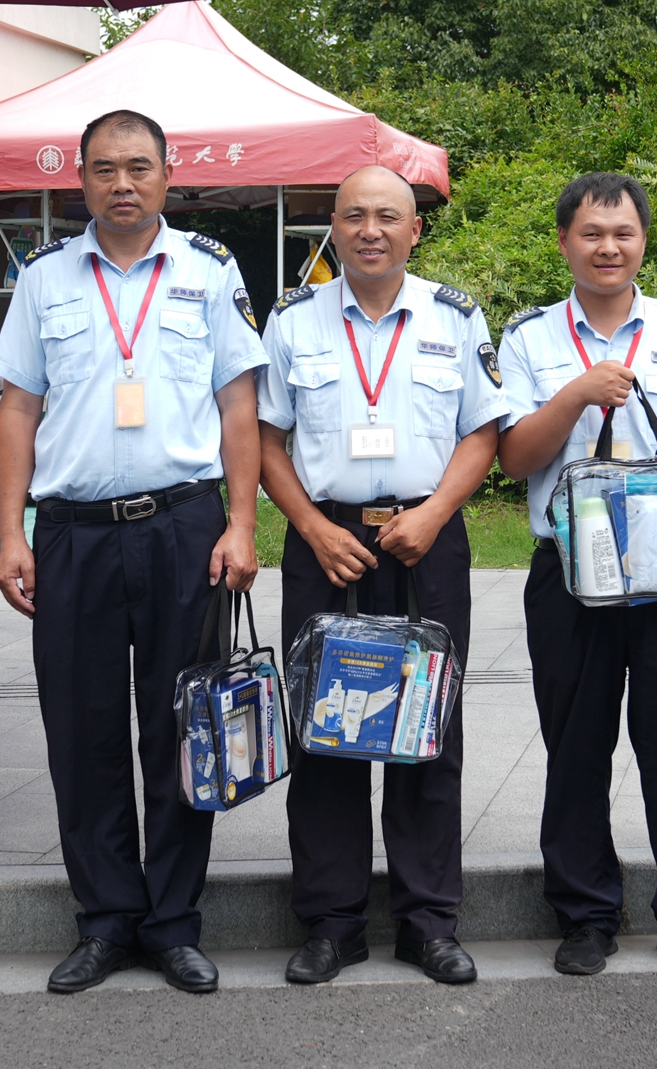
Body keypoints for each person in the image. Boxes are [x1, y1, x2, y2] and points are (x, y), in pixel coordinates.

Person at [0, 108, 265, 996]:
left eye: (138, 166)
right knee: (83, 731)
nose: (122, 183)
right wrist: (10, 531)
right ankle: (107, 918)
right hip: (73, 533)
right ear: (81, 179)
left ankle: (174, 922)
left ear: (167, 174)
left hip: (183, 526)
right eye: (104, 168)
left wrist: (242, 523)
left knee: (183, 725)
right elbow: (18, 408)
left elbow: (238, 406)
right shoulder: (43, 278)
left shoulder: (210, 271)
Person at [258, 166, 509, 986]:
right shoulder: (293, 319)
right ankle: (331, 923)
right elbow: (264, 437)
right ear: (333, 226)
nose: (371, 230)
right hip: (325, 540)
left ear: (415, 230)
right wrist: (310, 526)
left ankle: (428, 921)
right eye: (356, 215)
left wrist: (434, 513)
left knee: (428, 728)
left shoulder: (453, 316)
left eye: (388, 216)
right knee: (324, 727)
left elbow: (482, 432)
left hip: (424, 540)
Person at [496, 171, 657, 978]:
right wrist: (576, 393)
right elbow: (515, 457)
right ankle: (585, 914)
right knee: (576, 745)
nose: (608, 247)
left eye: (623, 233)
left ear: (643, 240)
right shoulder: (529, 338)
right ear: (564, 241)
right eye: (591, 233)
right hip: (571, 572)